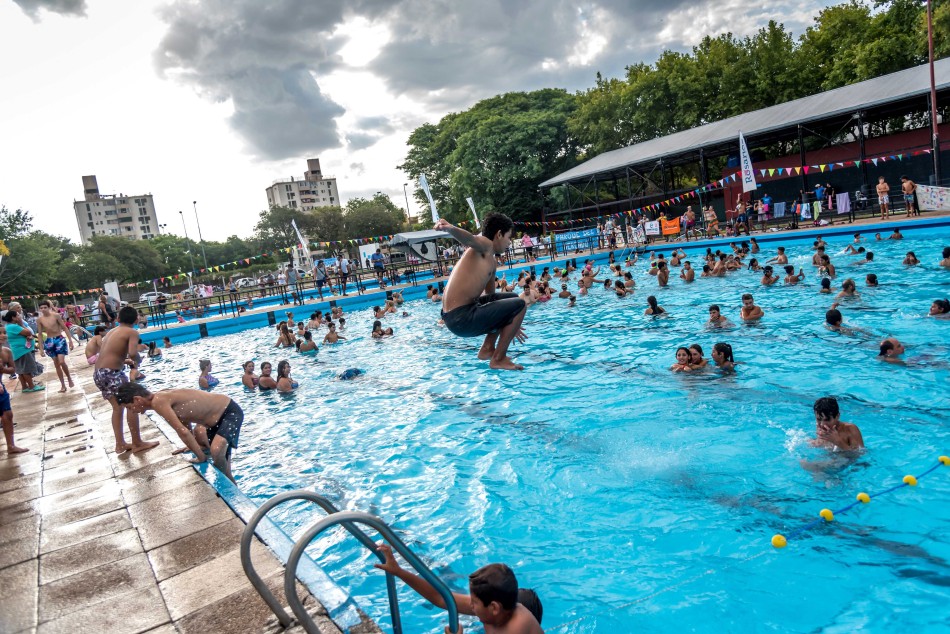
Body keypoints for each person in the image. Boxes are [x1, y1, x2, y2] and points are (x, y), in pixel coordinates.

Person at [373, 546, 543, 634]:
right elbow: (441, 598)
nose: (470, 606)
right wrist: (399, 571)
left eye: (474, 602)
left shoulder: (515, 629)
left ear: (494, 607)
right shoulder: (497, 612)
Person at [435, 215, 528, 371]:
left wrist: (511, 319)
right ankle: (498, 359)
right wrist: (449, 228)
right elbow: (469, 239)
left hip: (457, 315)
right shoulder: (486, 244)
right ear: (498, 234)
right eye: (508, 237)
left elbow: (491, 299)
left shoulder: (491, 262)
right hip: (460, 317)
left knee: (513, 299)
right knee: (521, 304)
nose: (509, 242)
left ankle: (488, 348)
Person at [116, 383, 243, 482]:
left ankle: (224, 480)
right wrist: (192, 446)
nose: (132, 411)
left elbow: (182, 431)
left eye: (129, 407)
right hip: (214, 423)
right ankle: (228, 482)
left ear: (137, 399)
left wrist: (200, 456)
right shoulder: (160, 398)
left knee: (216, 450)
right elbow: (185, 420)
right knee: (222, 466)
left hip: (229, 412)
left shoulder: (158, 401)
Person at [93, 306, 158, 454]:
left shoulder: (111, 331)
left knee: (117, 408)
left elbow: (112, 352)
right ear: (136, 320)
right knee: (133, 404)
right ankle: (137, 443)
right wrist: (137, 360)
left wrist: (125, 361)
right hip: (112, 373)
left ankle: (120, 444)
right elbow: (133, 352)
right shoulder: (132, 332)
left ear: (118, 319)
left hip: (99, 373)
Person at [38, 300, 75, 393]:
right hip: (49, 341)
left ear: (49, 307)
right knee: (56, 364)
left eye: (45, 307)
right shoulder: (39, 320)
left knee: (62, 362)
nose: (43, 309)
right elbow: (39, 334)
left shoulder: (56, 316)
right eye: (41, 308)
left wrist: (70, 341)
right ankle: (63, 385)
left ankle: (69, 378)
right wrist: (41, 348)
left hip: (59, 339)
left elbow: (65, 328)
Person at [2, 311, 43, 392]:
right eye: (18, 315)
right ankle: (31, 386)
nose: (20, 316)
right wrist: (21, 324)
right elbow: (28, 332)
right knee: (26, 370)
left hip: (18, 351)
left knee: (20, 370)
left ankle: (24, 387)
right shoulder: (13, 326)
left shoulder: (9, 326)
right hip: (22, 351)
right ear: (13, 317)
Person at [0, 346, 27, 454]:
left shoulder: (6, 351)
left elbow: (12, 369)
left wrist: (3, 369)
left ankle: (11, 446)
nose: (2, 335)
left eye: (4, 333)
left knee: (8, 415)